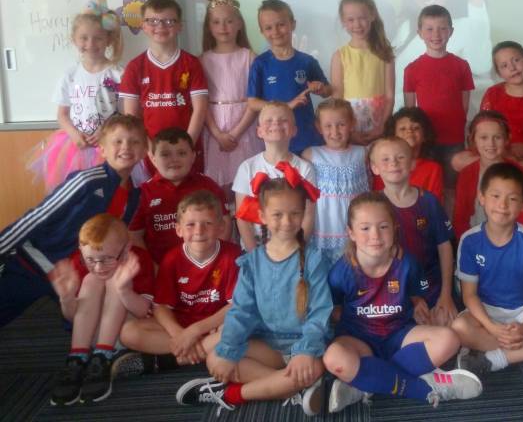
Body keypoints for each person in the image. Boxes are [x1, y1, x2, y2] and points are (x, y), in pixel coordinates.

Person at [176, 177, 332, 417]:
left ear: (303, 214)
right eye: (277, 215)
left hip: (305, 346)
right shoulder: (252, 262)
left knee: (310, 369)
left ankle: (232, 394)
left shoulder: (314, 260)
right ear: (262, 216)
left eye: (294, 214)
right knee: (216, 358)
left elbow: (320, 314)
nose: (287, 222)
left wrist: (306, 351)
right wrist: (229, 350)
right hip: (268, 346)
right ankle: (292, 386)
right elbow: (241, 312)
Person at [323, 192, 483, 413]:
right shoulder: (341, 273)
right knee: (333, 358)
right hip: (359, 340)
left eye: (383, 227)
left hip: (399, 334)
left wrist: (417, 302)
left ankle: (366, 381)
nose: (375, 235)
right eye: (365, 228)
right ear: (351, 232)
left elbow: (417, 293)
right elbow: (335, 310)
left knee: (449, 339)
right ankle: (418, 387)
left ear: (394, 228)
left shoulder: (407, 263)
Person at [0, 114, 146, 327]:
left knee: (85, 324)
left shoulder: (134, 196)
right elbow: (38, 216)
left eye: (134, 142)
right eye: (118, 141)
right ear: (102, 149)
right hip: (36, 265)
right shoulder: (86, 181)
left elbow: (115, 238)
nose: (126, 147)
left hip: (76, 275)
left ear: (144, 151)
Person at [452, 163, 523, 377]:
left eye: (513, 199)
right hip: (486, 312)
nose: (502, 205)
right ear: (482, 197)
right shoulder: (469, 240)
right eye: (495, 196)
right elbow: (469, 295)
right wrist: (491, 327)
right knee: (459, 328)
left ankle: (494, 359)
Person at [119, 191, 240, 375]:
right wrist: (180, 334)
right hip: (182, 323)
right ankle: (196, 352)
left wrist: (194, 332)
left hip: (216, 325)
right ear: (178, 229)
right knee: (128, 332)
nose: (199, 231)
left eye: (207, 224)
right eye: (190, 225)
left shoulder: (233, 256)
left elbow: (235, 307)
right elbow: (161, 307)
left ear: (221, 227)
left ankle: (169, 360)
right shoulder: (172, 259)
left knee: (237, 328)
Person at [49, 214, 155, 405]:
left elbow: (144, 312)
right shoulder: (78, 263)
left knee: (115, 281)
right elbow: (74, 318)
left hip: (127, 332)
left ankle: (103, 357)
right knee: (91, 280)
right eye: (90, 259)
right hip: (92, 338)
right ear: (81, 251)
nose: (98, 267)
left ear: (126, 249)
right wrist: (66, 298)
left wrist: (124, 290)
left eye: (107, 259)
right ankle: (77, 359)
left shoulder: (138, 259)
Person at [29, 0, 124, 193]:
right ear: (74, 39)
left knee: (108, 193)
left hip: (110, 145)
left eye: (98, 38)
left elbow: (124, 114)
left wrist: (106, 132)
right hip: (74, 146)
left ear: (108, 40)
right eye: (84, 38)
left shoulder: (117, 74)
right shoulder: (70, 74)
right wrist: (74, 134)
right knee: (76, 194)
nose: (91, 43)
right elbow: (62, 114)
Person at [393, 0, 493, 115]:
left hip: (446, 121)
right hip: (406, 121)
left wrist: (476, 1)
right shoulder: (406, 27)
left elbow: (481, 65)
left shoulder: (467, 24)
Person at [455, 41, 523, 197]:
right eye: (504, 66)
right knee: (457, 160)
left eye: (516, 60)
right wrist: (500, 152)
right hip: (497, 154)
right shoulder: (492, 94)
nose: (512, 68)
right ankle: (517, 165)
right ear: (499, 73)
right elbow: (480, 132)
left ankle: (519, 165)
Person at [371, 137, 457, 326]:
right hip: (392, 287)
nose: (393, 163)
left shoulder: (428, 201)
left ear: (412, 164)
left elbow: (445, 247)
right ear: (374, 167)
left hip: (432, 286)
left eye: (400, 157)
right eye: (385, 159)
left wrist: (446, 295)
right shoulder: (373, 206)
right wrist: (411, 299)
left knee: (446, 324)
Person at [119, 0, 208, 178]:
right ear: (143, 26)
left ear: (179, 25)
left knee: (191, 193)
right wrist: (150, 150)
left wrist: (186, 147)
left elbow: (200, 109)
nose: (160, 26)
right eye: (152, 21)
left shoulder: (192, 63)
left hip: (187, 149)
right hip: (150, 150)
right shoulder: (134, 67)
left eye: (168, 21)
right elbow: (131, 117)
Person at [403, 4, 474, 207]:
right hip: (426, 141)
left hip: (453, 140)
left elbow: (464, 106)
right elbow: (410, 113)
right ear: (419, 33)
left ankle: (449, 225)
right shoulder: (412, 69)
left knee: (451, 189)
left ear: (451, 31)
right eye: (429, 29)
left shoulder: (461, 66)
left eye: (442, 28)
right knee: (427, 188)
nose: (436, 34)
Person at [128, 128, 230, 266]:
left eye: (181, 153)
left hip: (207, 266)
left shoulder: (208, 186)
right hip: (160, 268)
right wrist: (153, 268)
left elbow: (224, 224)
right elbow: (135, 236)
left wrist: (212, 262)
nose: (174, 160)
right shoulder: (143, 193)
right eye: (165, 154)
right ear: (153, 159)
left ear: (193, 156)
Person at [199, 0, 261, 204]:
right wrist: (218, 133)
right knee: (220, 185)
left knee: (248, 182)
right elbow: (202, 104)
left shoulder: (250, 57)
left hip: (244, 127)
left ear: (239, 23)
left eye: (229, 21)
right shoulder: (202, 60)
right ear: (209, 27)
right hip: (215, 128)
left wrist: (235, 133)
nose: (223, 27)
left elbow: (254, 101)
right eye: (216, 22)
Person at [247, 0, 332, 155]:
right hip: (276, 139)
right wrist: (286, 106)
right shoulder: (260, 63)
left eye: (281, 24)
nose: (275, 31)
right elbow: (253, 103)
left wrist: (320, 88)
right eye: (268, 28)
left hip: (307, 138)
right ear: (262, 31)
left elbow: (328, 91)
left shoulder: (307, 61)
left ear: (292, 24)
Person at [232, 102, 316, 251]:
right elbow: (242, 218)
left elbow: (308, 215)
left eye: (283, 120)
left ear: (294, 130)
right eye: (269, 120)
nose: (276, 123)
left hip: (293, 249)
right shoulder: (247, 168)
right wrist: (255, 255)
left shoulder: (305, 168)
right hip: (255, 249)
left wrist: (297, 250)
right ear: (259, 132)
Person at [301, 98, 370, 267]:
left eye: (341, 124)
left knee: (351, 275)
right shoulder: (310, 155)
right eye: (328, 126)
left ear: (352, 124)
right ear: (319, 127)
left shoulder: (363, 154)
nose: (335, 131)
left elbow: (369, 190)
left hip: (353, 234)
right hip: (322, 231)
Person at [453, 111, 523, 239]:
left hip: (511, 240)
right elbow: (460, 217)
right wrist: (466, 242)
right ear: (473, 140)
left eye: (497, 137)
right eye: (483, 137)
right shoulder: (467, 174)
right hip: (475, 239)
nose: (491, 143)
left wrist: (516, 243)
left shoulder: (518, 172)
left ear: (507, 139)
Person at [330, 0, 395, 144]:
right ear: (343, 21)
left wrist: (382, 126)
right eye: (351, 20)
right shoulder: (340, 56)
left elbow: (389, 96)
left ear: (372, 16)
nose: (357, 25)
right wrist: (350, 131)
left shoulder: (385, 53)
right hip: (350, 129)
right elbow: (337, 99)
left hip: (379, 127)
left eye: (362, 18)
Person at [375, 107, 444, 203]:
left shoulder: (433, 169)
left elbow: (434, 204)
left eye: (416, 128)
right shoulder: (384, 165)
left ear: (425, 135)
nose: (409, 131)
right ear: (393, 136)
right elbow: (377, 199)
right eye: (403, 129)